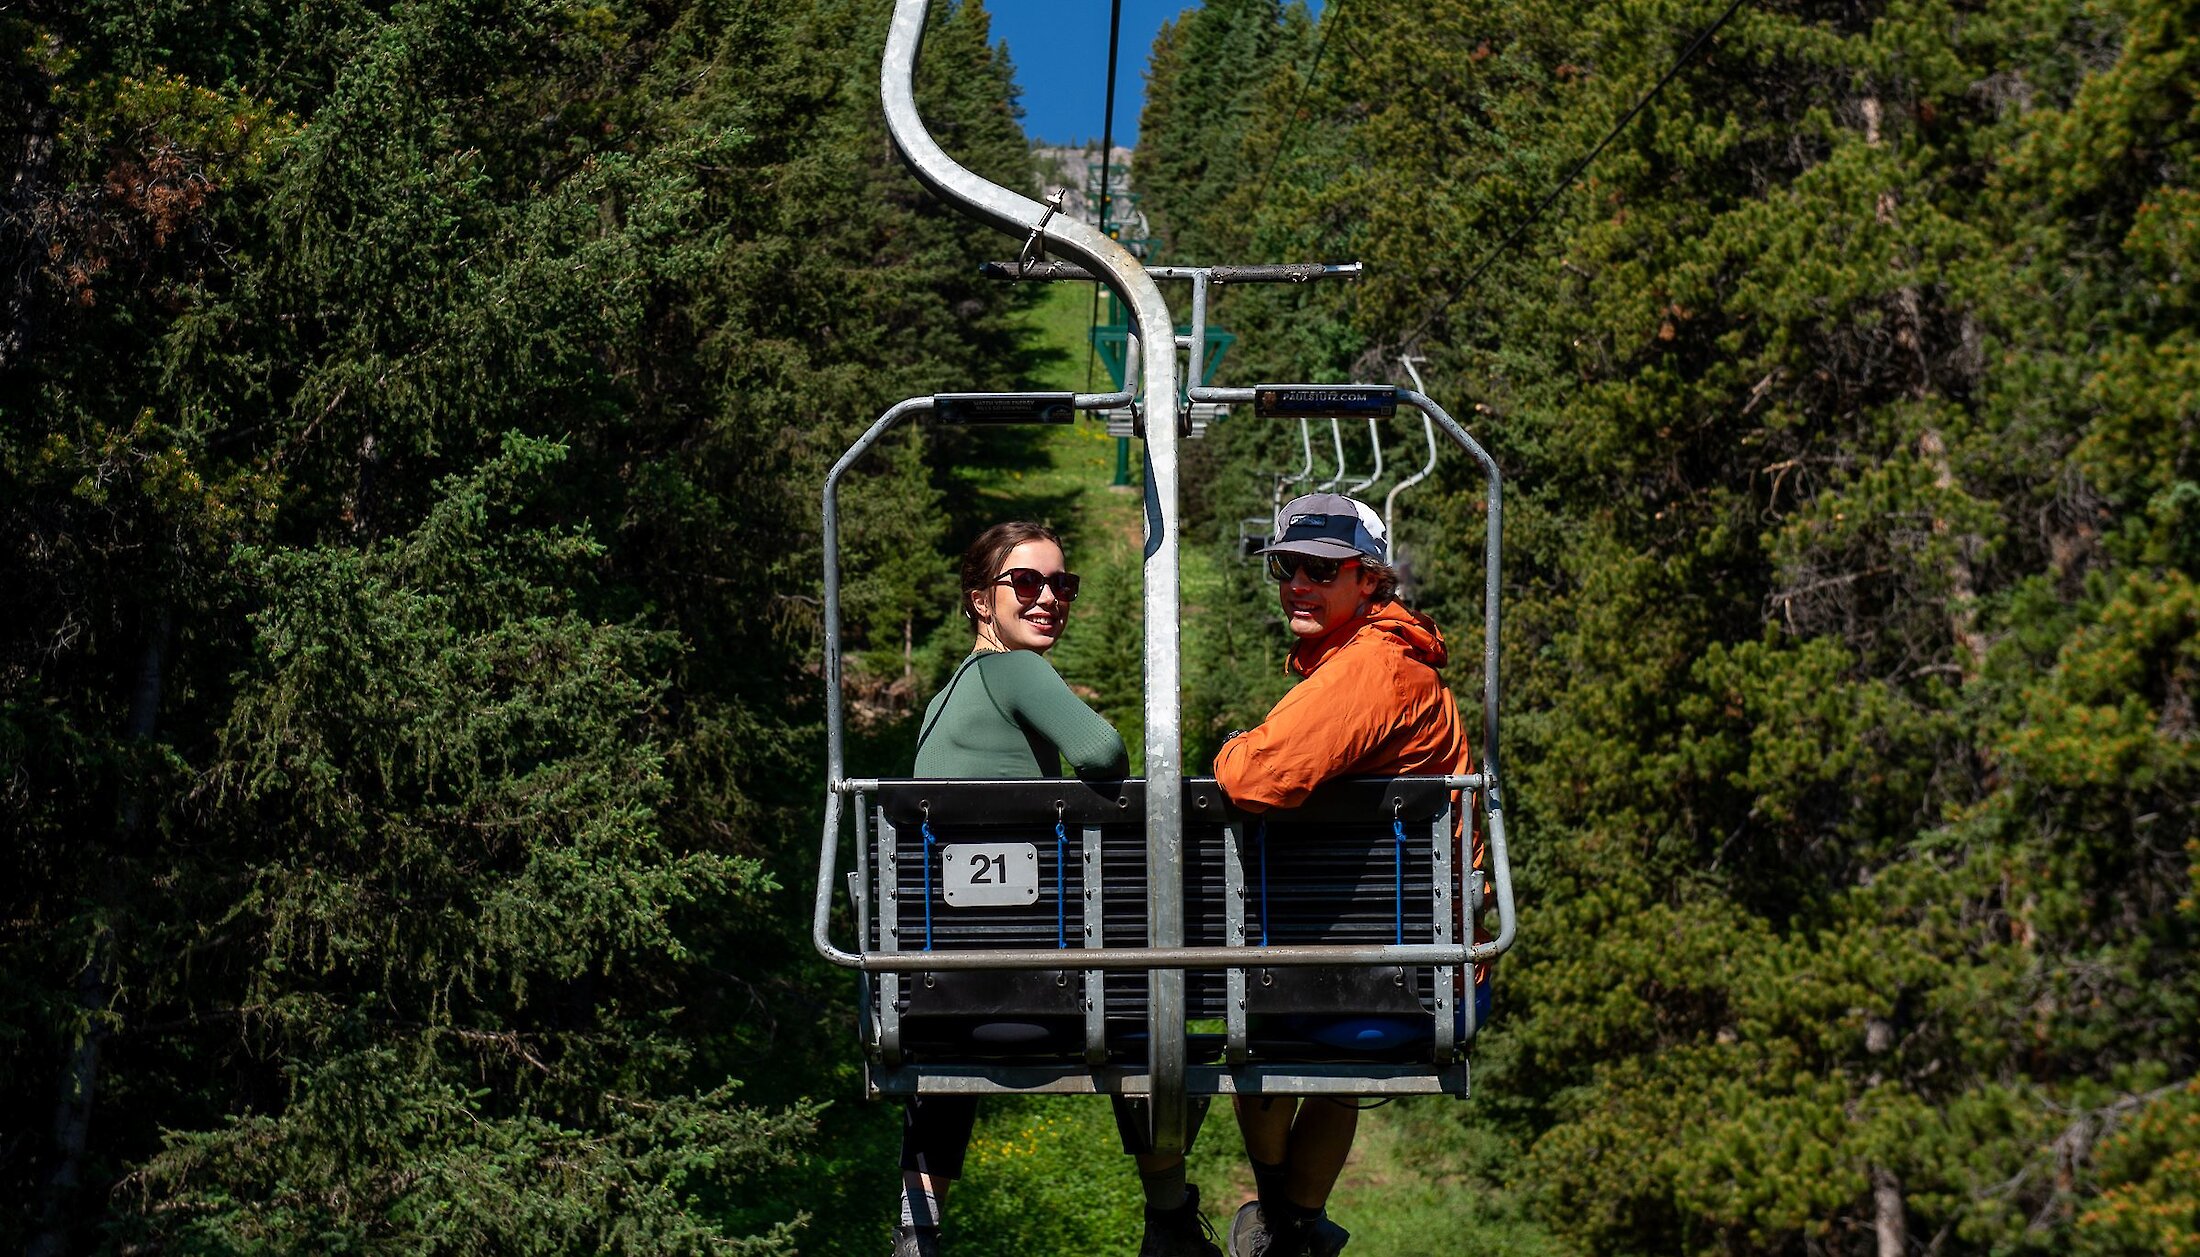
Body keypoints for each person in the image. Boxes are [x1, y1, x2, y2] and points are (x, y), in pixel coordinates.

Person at [893, 523, 1216, 1257]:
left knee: (963, 1002)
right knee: (1150, 1007)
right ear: (981, 599)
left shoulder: (944, 700)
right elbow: (1103, 752)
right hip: (1041, 1000)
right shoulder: (1016, 672)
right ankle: (1169, 1220)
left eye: (1061, 584)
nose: (1048, 598)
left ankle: (917, 1230)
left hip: (938, 1000)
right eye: (1026, 582)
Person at [1213, 493, 1472, 1257]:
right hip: (1410, 967)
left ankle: (1275, 1215)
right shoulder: (1380, 663)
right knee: (1330, 1063)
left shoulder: (1370, 669)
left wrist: (1231, 743)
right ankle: (1292, 1225)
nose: (1299, 583)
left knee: (1259, 1020)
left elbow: (1253, 775)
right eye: (1288, 567)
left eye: (1323, 570)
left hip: (1377, 979)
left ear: (1369, 579)